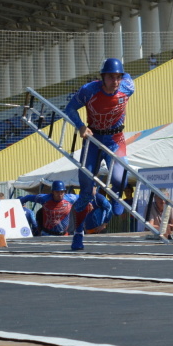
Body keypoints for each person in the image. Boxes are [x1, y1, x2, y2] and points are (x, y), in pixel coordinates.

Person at [64, 58, 135, 250]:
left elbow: (127, 77)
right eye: (111, 77)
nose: (115, 81)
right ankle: (78, 232)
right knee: (86, 189)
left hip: (115, 140)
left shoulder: (128, 86)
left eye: (118, 76)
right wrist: (80, 126)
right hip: (93, 140)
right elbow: (69, 108)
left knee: (121, 176)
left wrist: (123, 72)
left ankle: (117, 195)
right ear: (102, 77)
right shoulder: (89, 90)